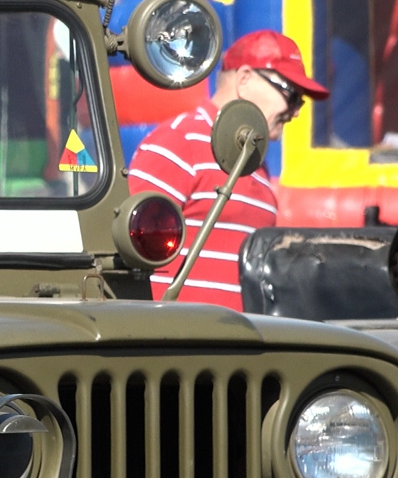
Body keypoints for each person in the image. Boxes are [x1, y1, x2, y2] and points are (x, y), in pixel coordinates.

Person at [127, 29, 329, 310]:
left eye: (300, 101)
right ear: (244, 79)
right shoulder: (179, 141)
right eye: (291, 94)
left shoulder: (255, 162)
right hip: (177, 332)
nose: (295, 111)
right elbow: (127, 246)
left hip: (238, 334)